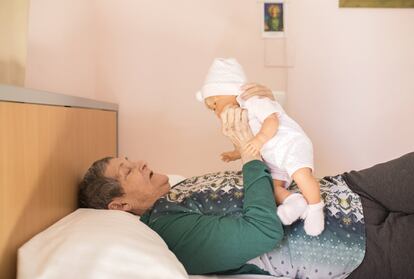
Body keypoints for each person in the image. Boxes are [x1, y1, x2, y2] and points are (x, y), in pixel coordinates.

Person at [78, 84, 414, 279]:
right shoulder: (171, 232)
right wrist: (246, 149)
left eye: (130, 161)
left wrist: (266, 108)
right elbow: (262, 231)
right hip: (356, 245)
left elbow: (269, 172)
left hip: (345, 191)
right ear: (119, 204)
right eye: (127, 170)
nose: (141, 164)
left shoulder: (179, 190)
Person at [196, 58, 324, 236]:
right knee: (271, 188)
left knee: (302, 175)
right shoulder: (241, 115)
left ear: (227, 91)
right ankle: (295, 202)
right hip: (273, 157)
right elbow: (246, 141)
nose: (216, 112)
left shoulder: (254, 101)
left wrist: (260, 139)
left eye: (215, 105)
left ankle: (316, 208)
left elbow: (272, 120)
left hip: (290, 144)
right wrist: (235, 153)